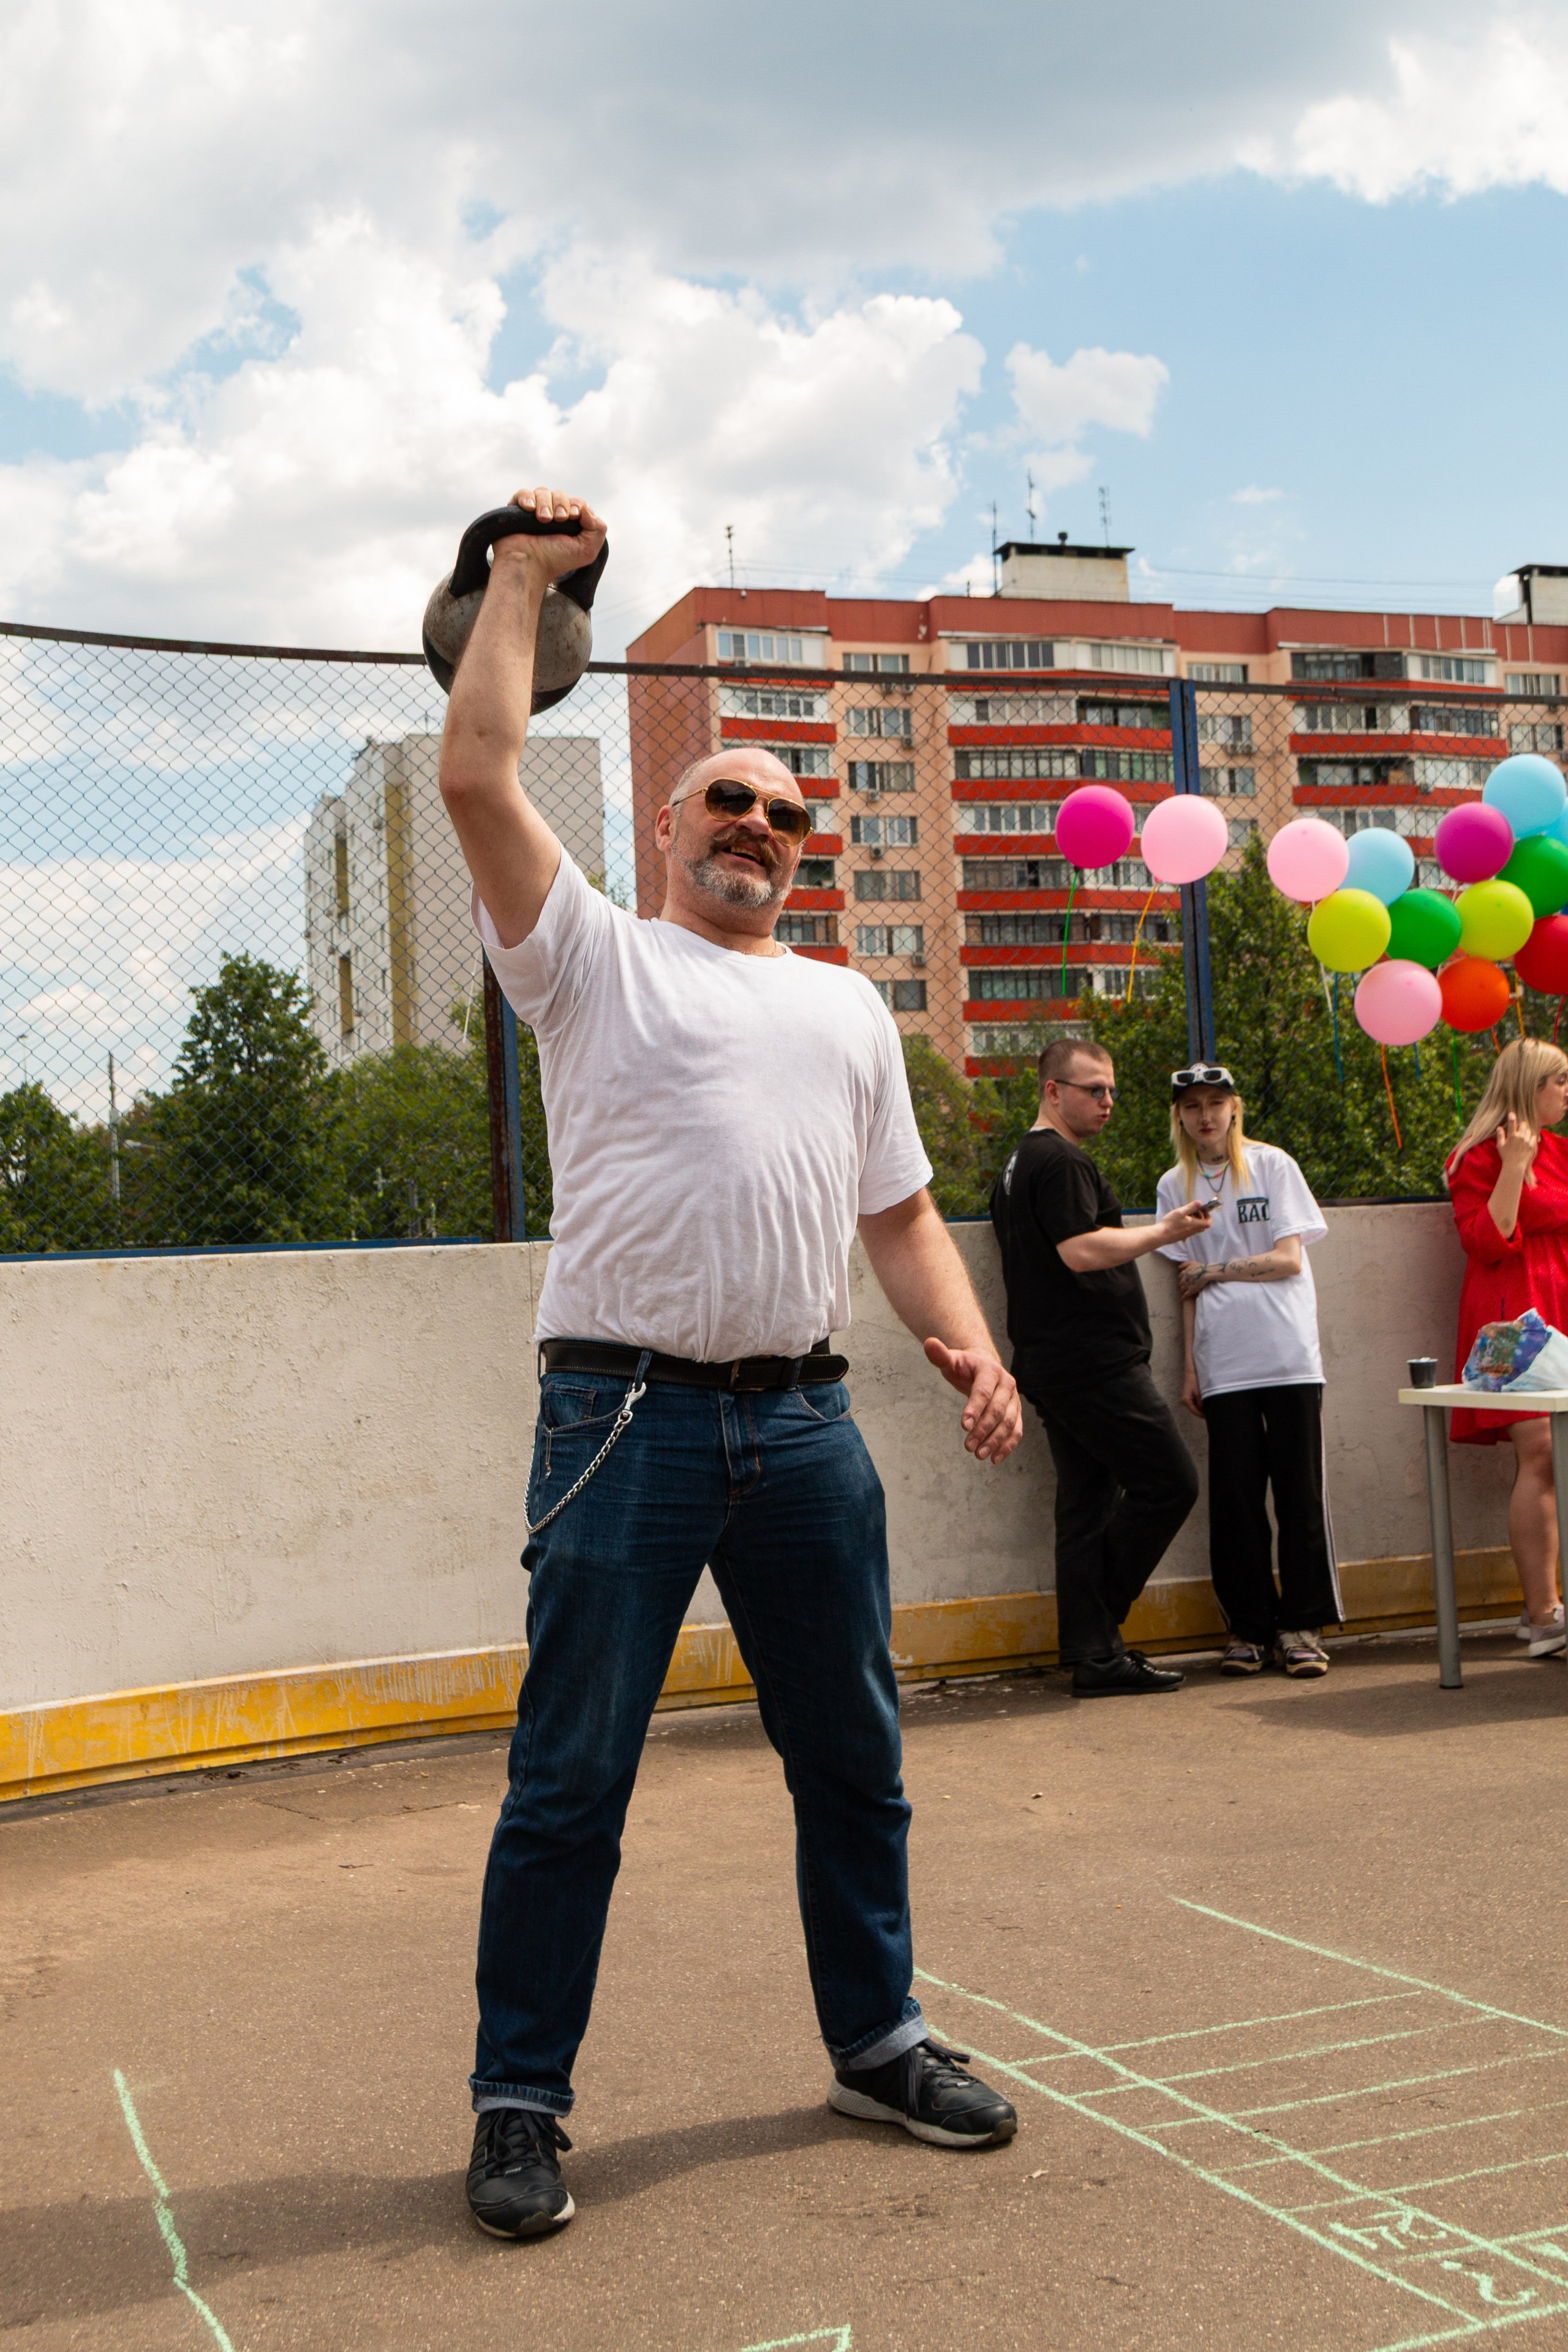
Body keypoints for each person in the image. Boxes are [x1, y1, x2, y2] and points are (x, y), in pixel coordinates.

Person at [438, 485, 1026, 2241]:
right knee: (572, 1782)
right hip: (624, 1418)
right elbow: (476, 779)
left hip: (810, 1431)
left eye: (785, 815)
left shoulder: (848, 1007)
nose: (759, 826)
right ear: (669, 822)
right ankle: (520, 2102)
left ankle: (877, 2036)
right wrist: (524, 582)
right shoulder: (596, 961)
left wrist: (974, 1349)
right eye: (729, 802)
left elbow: (903, 1217)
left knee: (856, 1756)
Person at [990, 1035, 1209, 1696]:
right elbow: (1080, 1251)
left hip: (1056, 1362)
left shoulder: (1021, 1162)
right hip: (1090, 1364)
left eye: (1111, 1089)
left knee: (1084, 1507)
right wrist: (1164, 1232)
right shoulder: (1058, 1161)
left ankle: (1096, 1656)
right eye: (1094, 1089)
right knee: (1169, 1484)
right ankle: (1094, 1634)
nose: (1108, 1101)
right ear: (1053, 1092)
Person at [1155, 1065, 1341, 1679]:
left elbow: (1289, 1260)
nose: (1204, 1115)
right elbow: (1183, 1283)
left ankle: (1302, 1626)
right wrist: (1189, 1367)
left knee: (1298, 1493)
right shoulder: (1173, 1185)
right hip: (1223, 1362)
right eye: (1192, 1106)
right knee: (1234, 1501)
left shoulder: (1271, 1166)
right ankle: (1248, 1629)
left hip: (1286, 1354)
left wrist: (1220, 1271)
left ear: (1234, 1107)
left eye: (1215, 1103)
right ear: (1179, 1116)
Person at [1447, 1037, 1568, 1660]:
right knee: (1542, 1452)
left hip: (1558, 1304)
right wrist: (1515, 1166)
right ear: (1528, 1087)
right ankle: (1544, 1612)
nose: (1567, 1093)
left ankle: (1539, 1608)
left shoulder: (1563, 1151)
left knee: (1555, 1454)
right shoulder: (1477, 1156)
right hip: (1510, 1316)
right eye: (1558, 1081)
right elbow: (1487, 1241)